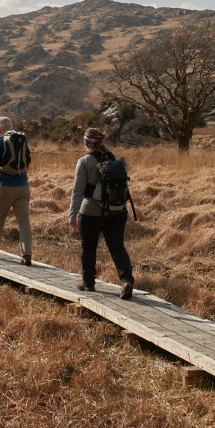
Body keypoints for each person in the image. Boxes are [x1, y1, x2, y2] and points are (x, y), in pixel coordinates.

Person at [69, 127, 134, 299]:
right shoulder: (113, 159)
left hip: (90, 212)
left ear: (86, 143)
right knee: (117, 247)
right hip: (117, 211)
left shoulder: (84, 161)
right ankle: (126, 280)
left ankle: (88, 282)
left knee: (88, 247)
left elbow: (77, 191)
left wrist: (72, 215)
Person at [0, 116, 32, 266]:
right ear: (11, 126)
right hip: (23, 187)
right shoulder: (22, 140)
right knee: (24, 221)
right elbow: (28, 165)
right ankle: (26, 254)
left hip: (5, 186)